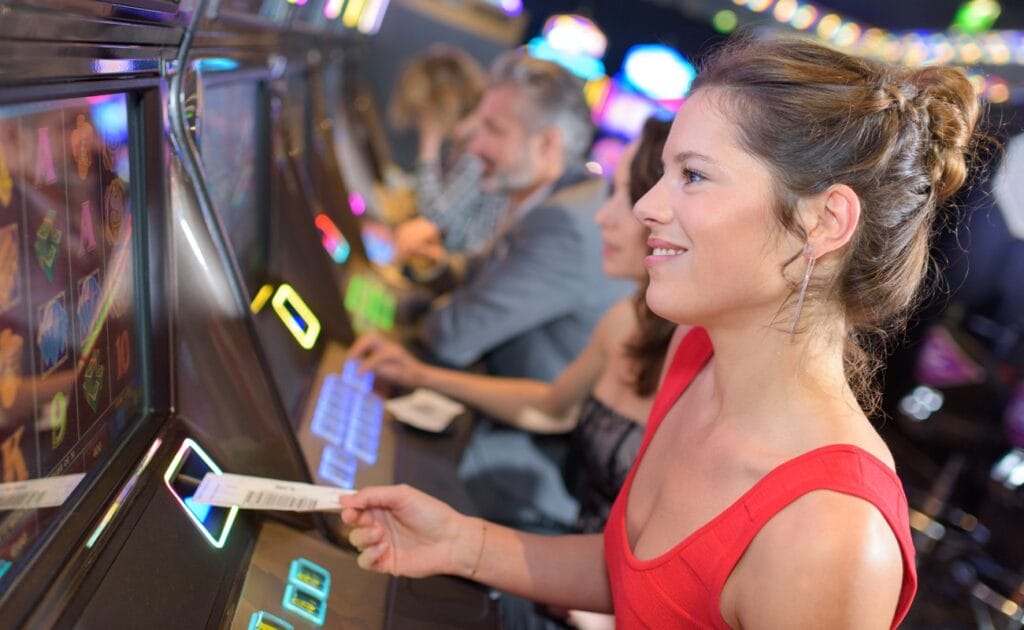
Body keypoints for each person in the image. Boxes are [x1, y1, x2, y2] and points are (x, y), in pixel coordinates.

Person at [340, 34, 982, 627]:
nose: (648, 206)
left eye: (694, 176)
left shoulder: (832, 533)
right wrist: (462, 541)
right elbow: (636, 574)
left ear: (823, 222)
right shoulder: (692, 352)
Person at [350, 117, 674, 536]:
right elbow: (551, 407)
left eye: (626, 197)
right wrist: (422, 375)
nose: (602, 218)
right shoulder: (627, 320)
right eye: (610, 193)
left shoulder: (705, 358)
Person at [405, 51, 632, 381]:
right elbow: (486, 274)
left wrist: (420, 311)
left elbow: (454, 337)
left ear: (547, 144)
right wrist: (438, 268)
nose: (475, 146)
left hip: (515, 424)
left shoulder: (565, 224)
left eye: (493, 129)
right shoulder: (551, 196)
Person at [388, 44, 505, 254]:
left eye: (422, 113)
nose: (420, 121)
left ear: (438, 105)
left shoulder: (478, 149)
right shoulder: (467, 141)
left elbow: (432, 217)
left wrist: (429, 143)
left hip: (468, 271)